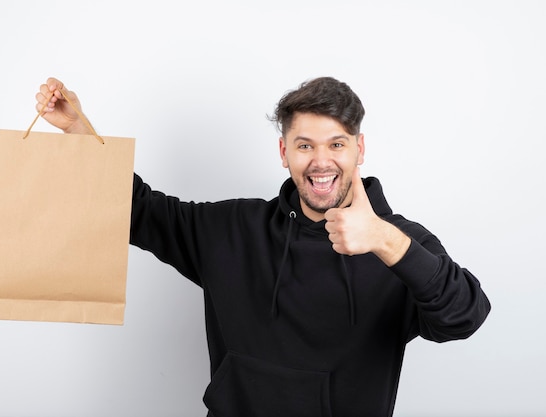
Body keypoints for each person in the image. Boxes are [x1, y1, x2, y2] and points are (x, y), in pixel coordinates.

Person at [35, 76, 491, 417]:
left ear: (359, 148)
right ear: (283, 152)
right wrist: (79, 131)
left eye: (337, 143)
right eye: (304, 145)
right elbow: (138, 211)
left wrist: (385, 240)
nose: (321, 161)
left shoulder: (401, 243)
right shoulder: (231, 228)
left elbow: (465, 315)